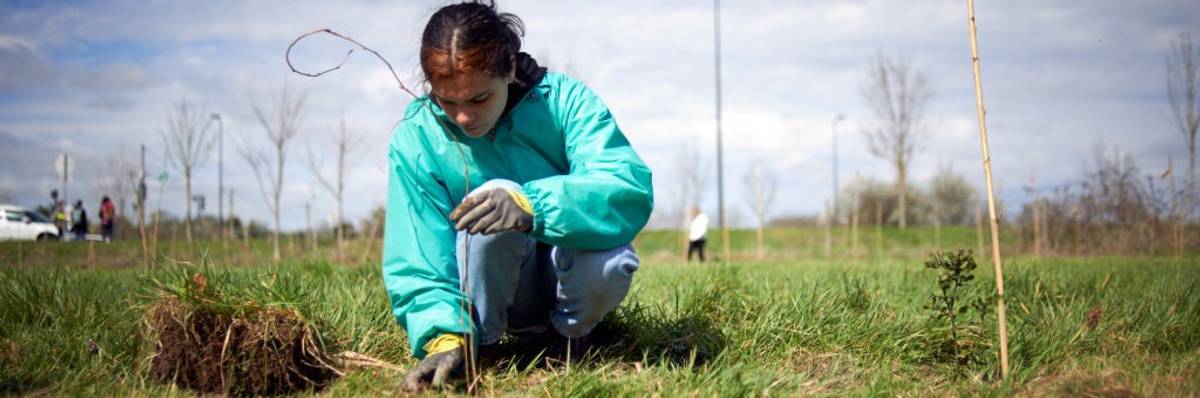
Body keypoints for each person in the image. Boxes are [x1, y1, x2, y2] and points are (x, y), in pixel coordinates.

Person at [381, 1, 653, 391]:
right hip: (485, 300)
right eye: (447, 100)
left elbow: (625, 186)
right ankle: (481, 345)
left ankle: (569, 338)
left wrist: (532, 207)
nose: (462, 117)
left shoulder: (565, 101)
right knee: (493, 195)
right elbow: (418, 254)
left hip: (565, 275)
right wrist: (441, 337)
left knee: (612, 259)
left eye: (478, 99)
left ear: (508, 69)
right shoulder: (417, 136)